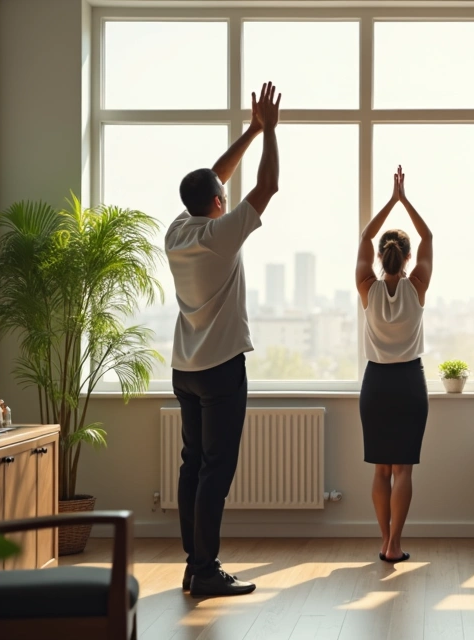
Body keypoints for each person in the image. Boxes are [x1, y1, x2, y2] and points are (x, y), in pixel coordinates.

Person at [165, 82, 281, 597]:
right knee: (216, 469)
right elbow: (268, 186)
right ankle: (205, 569)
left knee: (193, 464)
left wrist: (252, 130)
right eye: (223, 197)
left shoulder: (178, 231)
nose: (228, 198)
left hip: (184, 369)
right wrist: (271, 134)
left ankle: (194, 563)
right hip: (219, 371)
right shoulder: (219, 235)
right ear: (216, 203)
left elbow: (215, 178)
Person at [356, 165, 432, 564]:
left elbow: (366, 236)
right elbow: (429, 237)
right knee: (403, 469)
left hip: (376, 385)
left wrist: (390, 202)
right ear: (406, 258)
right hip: (408, 383)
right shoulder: (417, 285)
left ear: (384, 256)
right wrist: (405, 199)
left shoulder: (366, 287)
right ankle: (395, 545)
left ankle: (384, 539)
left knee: (380, 470)